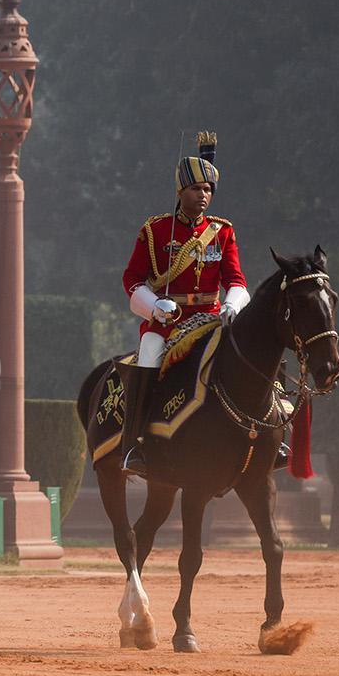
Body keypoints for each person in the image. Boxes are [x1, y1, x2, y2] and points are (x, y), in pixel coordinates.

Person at [119, 131, 249, 476]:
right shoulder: (156, 230)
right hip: (167, 322)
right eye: (196, 189)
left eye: (208, 190)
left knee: (253, 350)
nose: (203, 195)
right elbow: (132, 280)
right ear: (180, 192)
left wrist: (232, 305)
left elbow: (236, 280)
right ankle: (135, 444)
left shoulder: (223, 231)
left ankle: (268, 429)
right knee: (148, 353)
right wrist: (154, 306)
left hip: (210, 317)